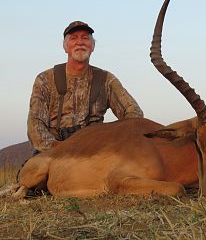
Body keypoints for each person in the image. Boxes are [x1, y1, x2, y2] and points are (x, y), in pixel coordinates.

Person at [27, 21, 144, 153]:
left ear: (92, 46)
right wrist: (57, 149)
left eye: (85, 38)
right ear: (65, 47)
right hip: (54, 152)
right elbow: (35, 124)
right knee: (30, 173)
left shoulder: (106, 80)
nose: (80, 42)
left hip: (95, 151)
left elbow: (134, 113)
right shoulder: (45, 80)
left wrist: (109, 139)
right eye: (73, 38)